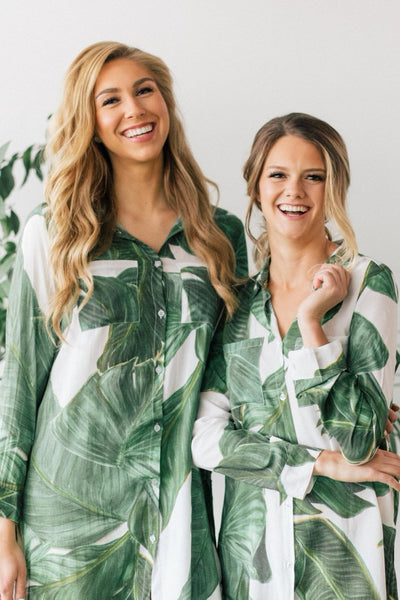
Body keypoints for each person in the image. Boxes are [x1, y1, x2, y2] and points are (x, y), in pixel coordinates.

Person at [0, 41, 248, 599]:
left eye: (144, 90)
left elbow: (236, 373)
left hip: (181, 509)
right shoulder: (55, 235)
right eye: (109, 100)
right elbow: (18, 385)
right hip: (68, 520)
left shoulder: (219, 237)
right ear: (90, 123)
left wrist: (327, 402)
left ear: (166, 102)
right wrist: (3, 531)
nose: (134, 110)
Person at [192, 113, 400, 599]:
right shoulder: (238, 304)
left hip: (346, 554)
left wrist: (312, 324)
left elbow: (360, 438)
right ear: (256, 187)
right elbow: (205, 440)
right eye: (279, 175)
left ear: (334, 188)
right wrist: (318, 464)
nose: (295, 191)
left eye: (314, 176)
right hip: (254, 564)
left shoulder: (370, 283)